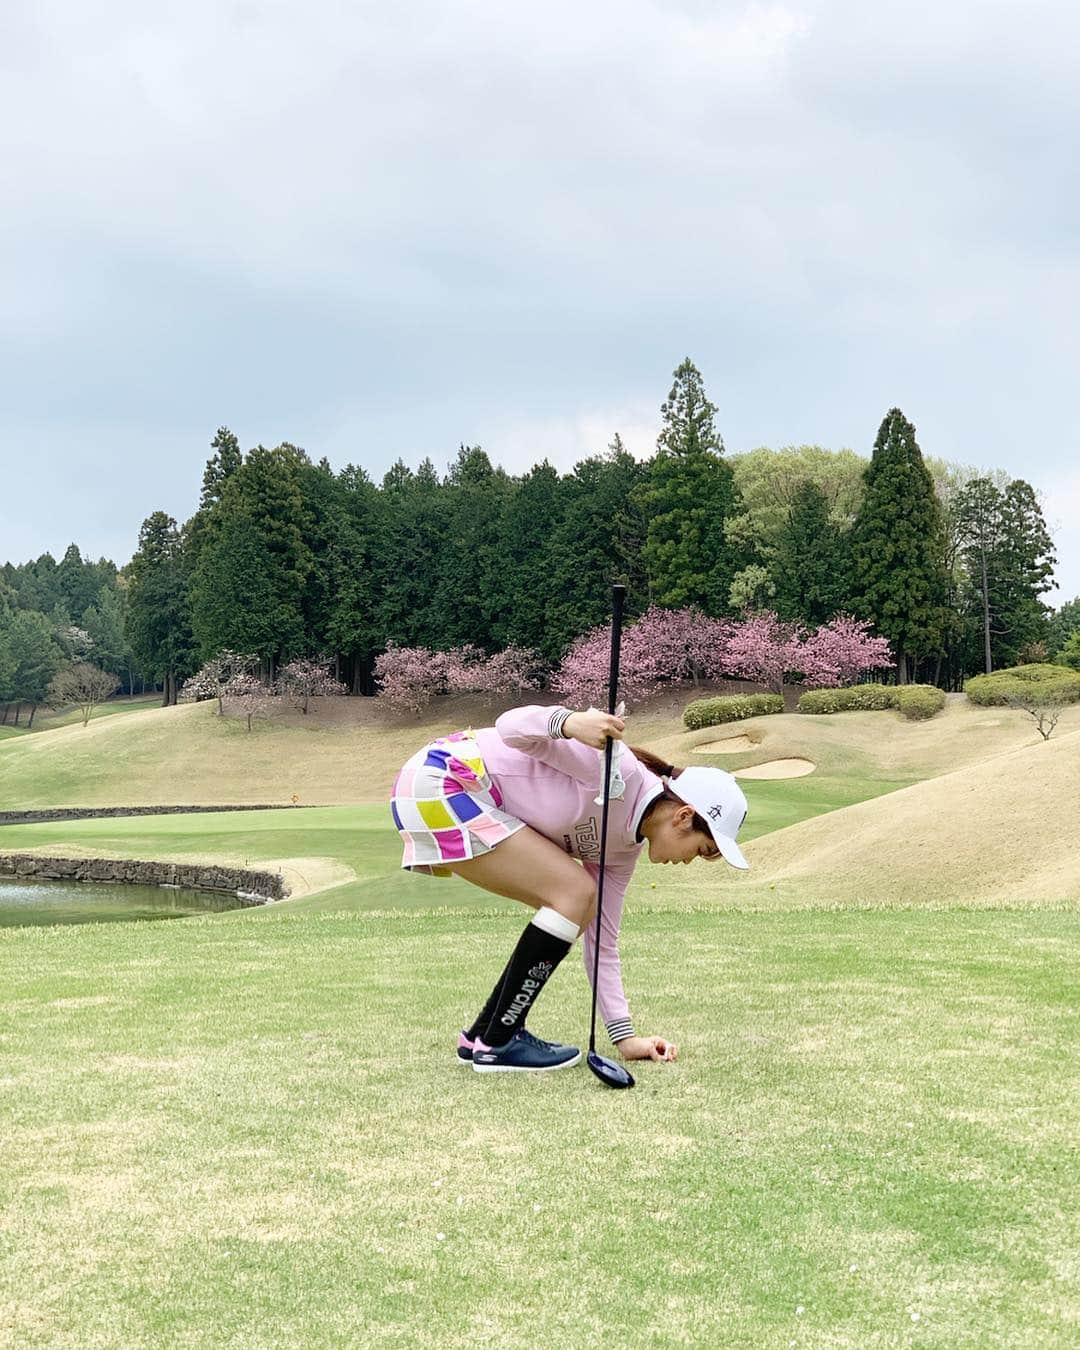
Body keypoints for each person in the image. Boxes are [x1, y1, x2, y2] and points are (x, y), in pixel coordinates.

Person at [390, 703, 750, 1073]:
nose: (690, 861)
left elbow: (602, 944)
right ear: (684, 817)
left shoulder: (623, 851)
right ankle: (500, 1041)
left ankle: (485, 1033)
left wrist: (625, 1039)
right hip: (442, 779)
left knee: (578, 904)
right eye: (702, 850)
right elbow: (508, 726)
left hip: (451, 794)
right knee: (575, 892)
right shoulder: (616, 767)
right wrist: (569, 723)